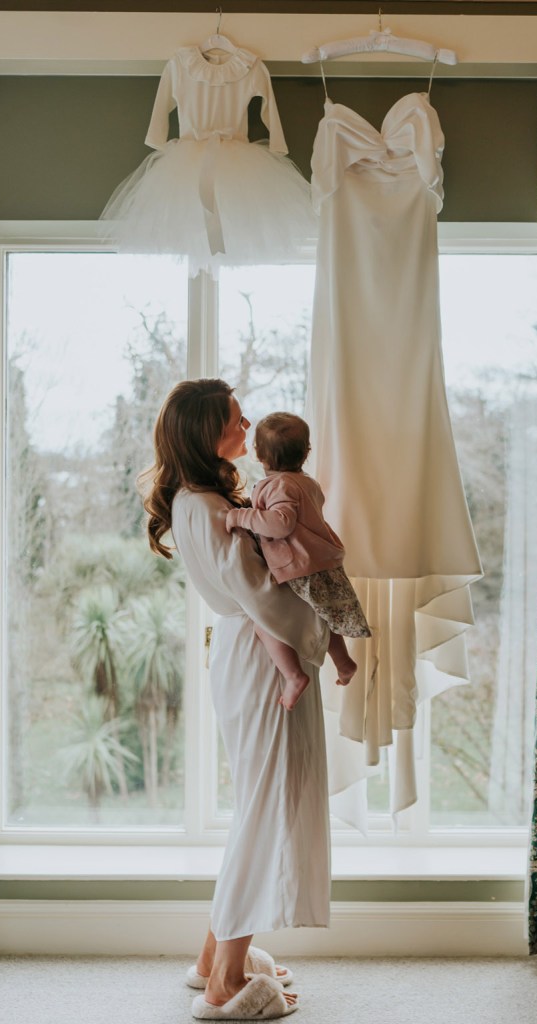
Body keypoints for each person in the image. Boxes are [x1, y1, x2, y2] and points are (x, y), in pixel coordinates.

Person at [140, 379, 331, 1020]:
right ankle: (223, 981)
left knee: (260, 802)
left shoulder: (203, 497)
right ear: (205, 430)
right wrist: (322, 632)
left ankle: (210, 958)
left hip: (251, 651)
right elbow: (255, 591)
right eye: (234, 416)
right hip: (260, 654)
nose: (246, 422)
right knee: (267, 806)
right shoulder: (203, 503)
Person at [225, 412, 371, 712]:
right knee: (322, 615)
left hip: (301, 567)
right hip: (320, 563)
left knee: (264, 620)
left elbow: (280, 524)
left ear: (258, 454)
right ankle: (343, 663)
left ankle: (293, 676)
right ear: (307, 452)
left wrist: (242, 516)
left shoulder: (279, 486)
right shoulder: (306, 483)